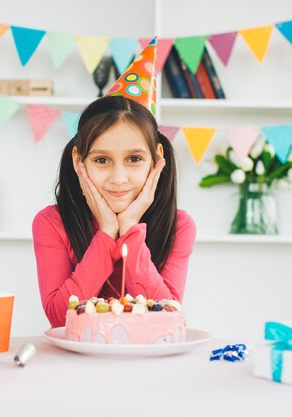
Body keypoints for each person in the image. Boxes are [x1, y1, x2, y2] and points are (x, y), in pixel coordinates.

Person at [32, 38, 196, 328]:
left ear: (157, 159)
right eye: (101, 160)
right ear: (78, 161)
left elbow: (168, 318)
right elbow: (60, 318)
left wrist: (131, 229)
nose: (119, 179)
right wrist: (106, 234)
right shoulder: (51, 223)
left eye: (134, 159)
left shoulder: (179, 225)